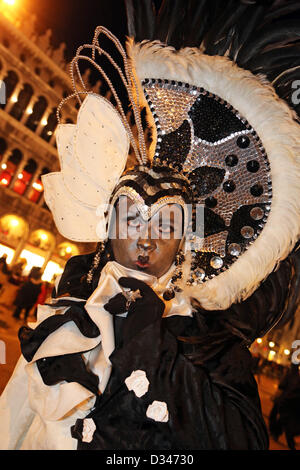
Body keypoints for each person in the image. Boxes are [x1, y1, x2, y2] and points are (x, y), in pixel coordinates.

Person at [1, 0, 300, 451]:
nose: (146, 235)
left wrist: (150, 345)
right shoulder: (68, 312)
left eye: (166, 223)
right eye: (132, 215)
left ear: (185, 240)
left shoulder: (210, 343)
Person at [269, 363, 300, 450]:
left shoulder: (291, 374)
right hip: (289, 402)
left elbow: (282, 386)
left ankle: (274, 432)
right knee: (284, 420)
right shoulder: (296, 376)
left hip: (285, 400)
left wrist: (276, 396)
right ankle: (275, 433)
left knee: (281, 418)